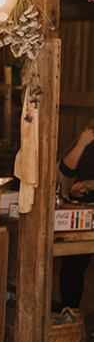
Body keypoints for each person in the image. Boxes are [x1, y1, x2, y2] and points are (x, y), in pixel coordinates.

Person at [58, 125, 94, 309]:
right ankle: (69, 314)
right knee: (72, 266)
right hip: (82, 212)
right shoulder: (90, 138)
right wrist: (81, 143)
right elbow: (66, 169)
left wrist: (90, 184)